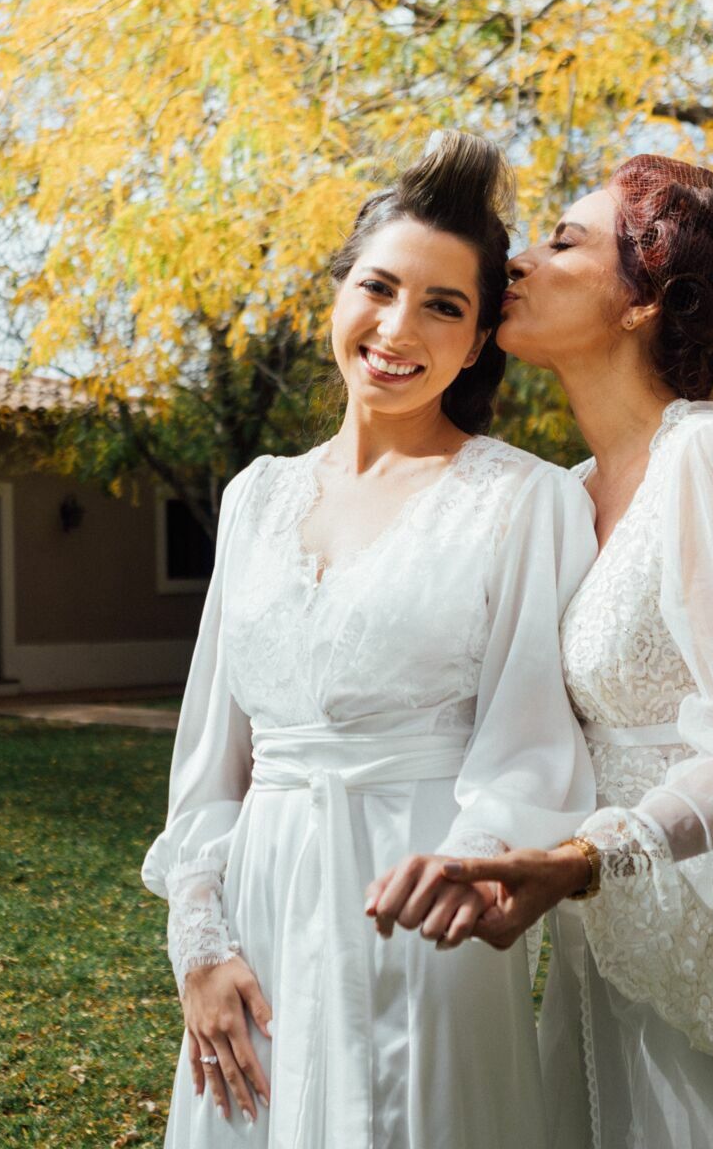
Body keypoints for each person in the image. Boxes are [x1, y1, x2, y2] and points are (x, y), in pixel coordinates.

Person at [375, 154, 713, 1147]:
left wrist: (586, 856)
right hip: (600, 925)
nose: (518, 262)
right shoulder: (566, 495)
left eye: (564, 242)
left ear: (645, 300)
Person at [140, 132, 598, 1148]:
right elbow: (212, 752)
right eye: (379, 288)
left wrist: (465, 874)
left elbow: (529, 740)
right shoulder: (257, 495)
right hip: (257, 907)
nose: (397, 328)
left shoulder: (524, 499)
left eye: (443, 306)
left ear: (477, 342)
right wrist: (199, 945)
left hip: (422, 910)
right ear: (338, 294)